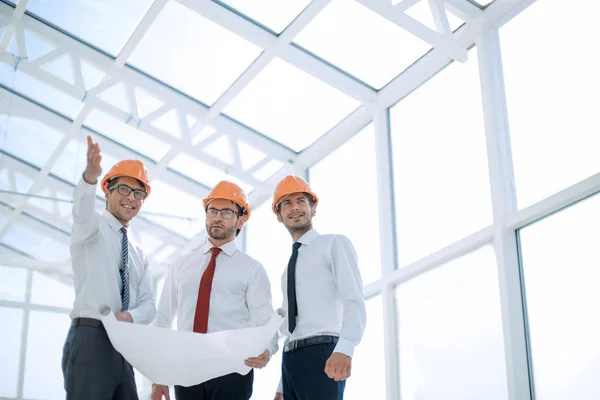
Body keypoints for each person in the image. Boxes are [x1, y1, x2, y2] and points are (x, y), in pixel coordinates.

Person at [151, 181, 277, 400]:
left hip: (231, 367)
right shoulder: (181, 265)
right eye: (212, 211)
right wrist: (158, 373)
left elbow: (264, 319)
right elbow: (163, 320)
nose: (217, 217)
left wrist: (267, 348)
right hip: (186, 369)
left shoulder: (252, 269)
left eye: (227, 212)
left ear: (240, 220)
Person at [62, 136, 156, 399]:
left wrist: (128, 317)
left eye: (139, 193)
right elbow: (81, 210)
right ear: (107, 191)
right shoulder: (91, 228)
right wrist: (89, 178)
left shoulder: (139, 252)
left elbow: (149, 305)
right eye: (124, 189)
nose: (131, 198)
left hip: (125, 347)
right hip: (92, 338)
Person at [271, 175, 366, 400]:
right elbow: (293, 326)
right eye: (287, 203)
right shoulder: (288, 269)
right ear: (279, 215)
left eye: (301, 201)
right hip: (291, 359)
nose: (294, 207)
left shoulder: (334, 243)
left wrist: (346, 347)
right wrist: (282, 385)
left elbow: (353, 299)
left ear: (313, 208)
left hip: (323, 353)